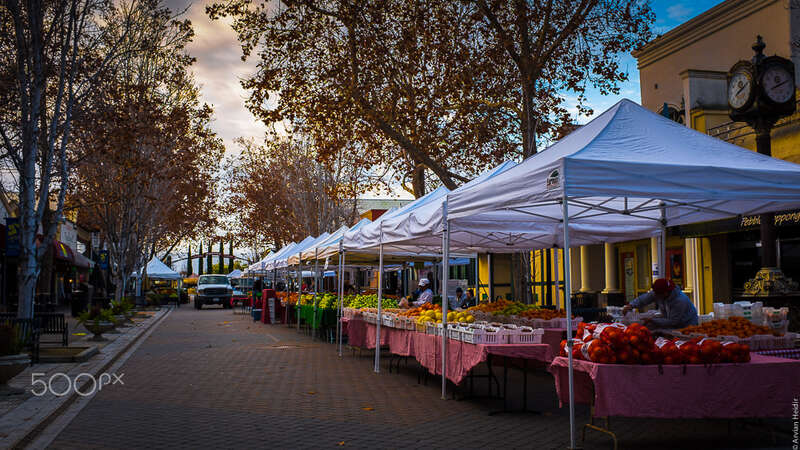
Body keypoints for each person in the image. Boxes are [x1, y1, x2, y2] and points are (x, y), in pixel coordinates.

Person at [622, 278, 698, 329]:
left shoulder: (680, 301)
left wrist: (653, 320)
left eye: (657, 294)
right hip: (671, 323)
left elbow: (673, 321)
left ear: (665, 293)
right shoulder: (658, 293)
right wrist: (631, 305)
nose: (655, 295)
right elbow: (644, 299)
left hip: (687, 325)